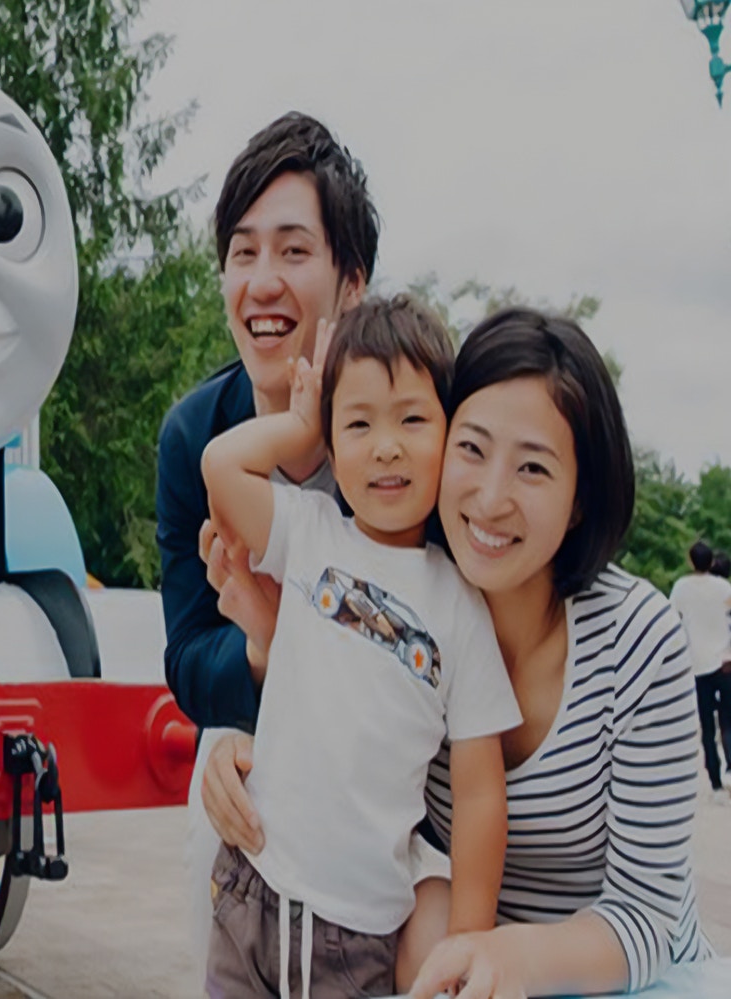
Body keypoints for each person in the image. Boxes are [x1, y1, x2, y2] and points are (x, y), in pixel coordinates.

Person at [202, 308, 714, 997]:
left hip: (626, 974)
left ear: (580, 498)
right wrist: (243, 740)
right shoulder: (404, 599)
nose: (491, 497)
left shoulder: (639, 641)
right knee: (422, 929)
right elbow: (336, 724)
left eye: (533, 466)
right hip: (468, 966)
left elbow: (646, 915)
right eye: (472, 449)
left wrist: (499, 952)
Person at [200, 297, 520, 998]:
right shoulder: (310, 532)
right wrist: (297, 425)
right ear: (332, 442)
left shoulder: (460, 606)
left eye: (412, 418)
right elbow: (221, 465)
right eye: (358, 422)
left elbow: (479, 792)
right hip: (250, 882)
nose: (385, 445)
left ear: (450, 431)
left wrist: (468, 940)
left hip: (357, 934)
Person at [154, 112, 378, 971]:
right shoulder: (193, 439)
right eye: (242, 253)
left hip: (385, 756)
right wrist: (256, 655)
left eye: (293, 251)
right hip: (251, 731)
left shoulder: (404, 434)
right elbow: (188, 657)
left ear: (350, 282)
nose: (262, 282)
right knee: (214, 842)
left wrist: (292, 642)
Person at [670, 540, 731, 804]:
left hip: (697, 665)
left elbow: (673, 618)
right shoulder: (724, 587)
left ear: (691, 561)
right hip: (726, 662)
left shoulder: (682, 587)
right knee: (728, 722)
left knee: (707, 727)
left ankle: (716, 784)